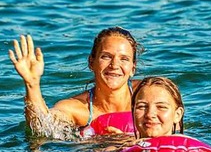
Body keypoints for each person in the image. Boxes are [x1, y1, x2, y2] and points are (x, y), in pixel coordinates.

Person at [8, 27, 141, 139]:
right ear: (91, 63)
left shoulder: (147, 93)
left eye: (124, 59)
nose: (114, 65)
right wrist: (32, 83)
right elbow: (42, 127)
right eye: (106, 57)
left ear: (133, 68)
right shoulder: (76, 110)